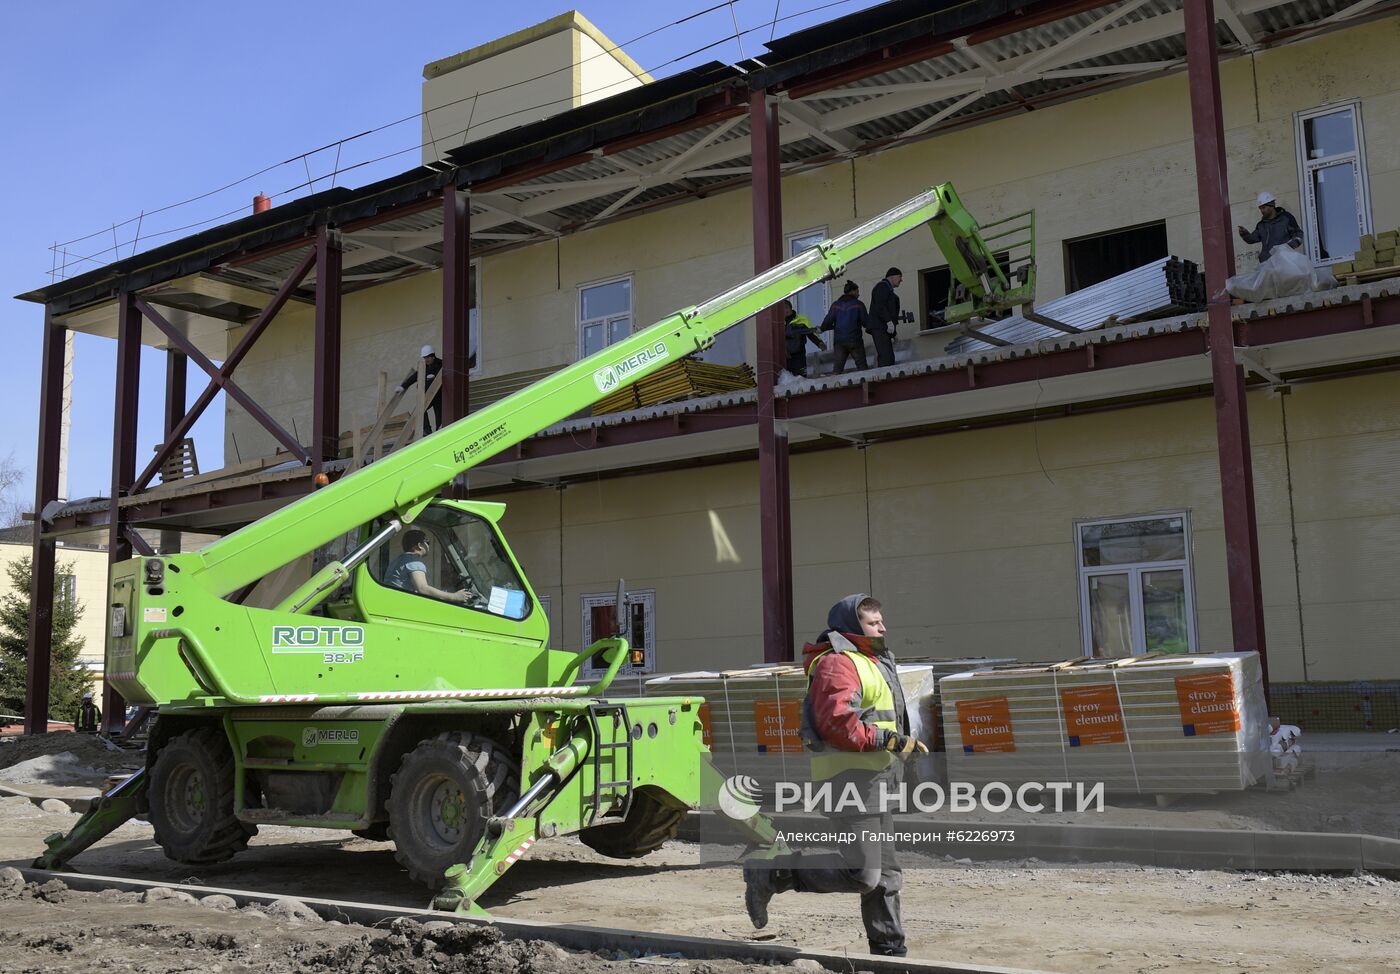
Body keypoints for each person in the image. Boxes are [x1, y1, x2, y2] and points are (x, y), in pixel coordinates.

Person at [743, 594, 926, 957]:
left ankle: (889, 951)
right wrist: (891, 739)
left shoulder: (871, 661)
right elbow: (837, 723)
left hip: (877, 780)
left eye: (881, 621)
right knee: (863, 874)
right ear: (853, 626)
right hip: (848, 782)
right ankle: (774, 872)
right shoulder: (837, 664)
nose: (883, 627)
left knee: (886, 876)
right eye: (874, 623)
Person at [383, 530, 474, 604]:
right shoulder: (414, 562)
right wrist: (454, 596)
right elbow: (423, 589)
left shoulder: (397, 561)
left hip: (392, 602)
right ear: (419, 545)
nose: (429, 546)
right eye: (428, 542)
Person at [819, 281, 873, 374]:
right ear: (852, 291)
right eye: (857, 291)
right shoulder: (858, 304)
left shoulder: (835, 305)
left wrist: (822, 329)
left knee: (837, 370)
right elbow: (866, 323)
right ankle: (865, 386)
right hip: (855, 340)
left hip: (839, 342)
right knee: (862, 368)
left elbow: (827, 322)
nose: (858, 294)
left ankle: (835, 388)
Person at [1238, 192, 1303, 263]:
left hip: (1285, 263)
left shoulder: (1286, 218)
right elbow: (1252, 239)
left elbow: (1298, 235)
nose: (1261, 211)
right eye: (1260, 208)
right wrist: (1245, 234)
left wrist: (1287, 247)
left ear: (1271, 205)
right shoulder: (1261, 225)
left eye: (1263, 207)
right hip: (1267, 264)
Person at [399, 345, 444, 437]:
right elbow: (414, 377)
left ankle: (440, 434)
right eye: (424, 358)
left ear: (432, 356)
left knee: (439, 418)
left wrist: (434, 377)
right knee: (420, 409)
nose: (426, 360)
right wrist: (403, 386)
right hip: (428, 396)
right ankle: (427, 430)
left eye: (428, 357)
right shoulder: (424, 367)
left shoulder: (441, 364)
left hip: (439, 396)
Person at [782, 298, 827, 377]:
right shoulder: (779, 322)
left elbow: (810, 333)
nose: (785, 311)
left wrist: (819, 343)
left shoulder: (802, 319)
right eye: (783, 309)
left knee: (801, 377)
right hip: (786, 355)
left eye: (786, 308)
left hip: (799, 353)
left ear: (791, 308)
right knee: (788, 378)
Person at [868, 268, 903, 368]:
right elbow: (880, 305)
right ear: (892, 276)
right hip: (880, 327)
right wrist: (889, 322)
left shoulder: (888, 290)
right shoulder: (882, 286)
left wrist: (894, 333)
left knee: (888, 357)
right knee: (886, 357)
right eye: (900, 277)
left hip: (882, 328)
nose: (901, 280)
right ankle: (884, 380)